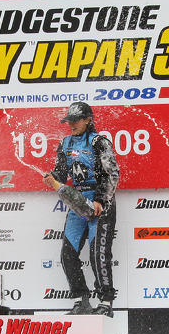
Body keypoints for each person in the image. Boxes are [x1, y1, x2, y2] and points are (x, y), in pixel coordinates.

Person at [43, 102, 120, 316]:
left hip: (100, 203)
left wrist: (100, 199)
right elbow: (61, 172)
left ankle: (105, 303)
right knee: (67, 254)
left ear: (88, 120)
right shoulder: (65, 143)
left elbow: (112, 174)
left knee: (98, 254)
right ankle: (81, 301)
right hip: (77, 202)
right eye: (69, 121)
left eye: (76, 121)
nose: (71, 125)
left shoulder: (99, 142)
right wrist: (53, 179)